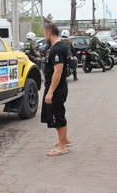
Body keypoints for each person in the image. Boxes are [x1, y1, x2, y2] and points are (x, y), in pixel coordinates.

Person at [41, 23, 72, 156]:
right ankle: (65, 140)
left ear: (49, 33)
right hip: (54, 87)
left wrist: (50, 91)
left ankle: (62, 147)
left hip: (57, 88)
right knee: (53, 113)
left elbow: (57, 72)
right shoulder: (55, 47)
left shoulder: (57, 49)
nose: (44, 36)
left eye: (44, 33)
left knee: (57, 115)